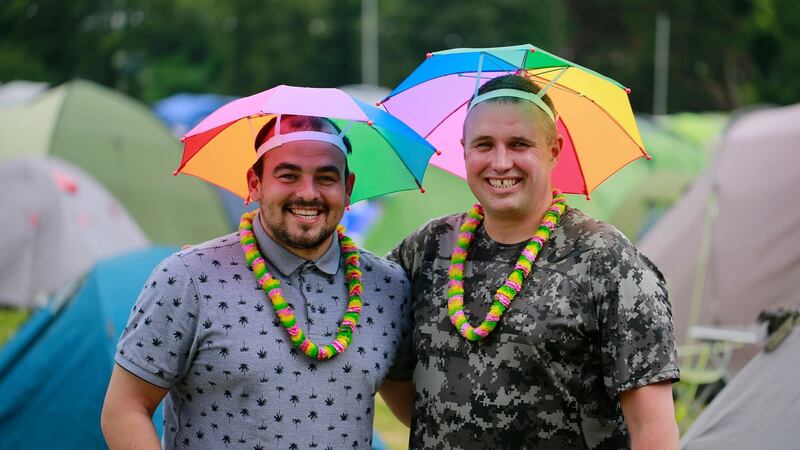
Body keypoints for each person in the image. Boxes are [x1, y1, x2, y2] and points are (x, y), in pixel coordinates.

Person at [387, 75, 680, 449]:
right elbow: (391, 366)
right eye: (484, 145)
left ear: (554, 149)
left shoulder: (605, 259)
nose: (501, 162)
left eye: (519, 144)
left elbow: (652, 429)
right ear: (463, 150)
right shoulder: (427, 247)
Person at [101, 114, 413, 450]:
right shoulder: (190, 277)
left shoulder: (386, 286)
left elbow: (416, 408)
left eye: (325, 178)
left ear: (348, 188)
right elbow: (124, 409)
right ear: (254, 183)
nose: (308, 193)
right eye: (288, 175)